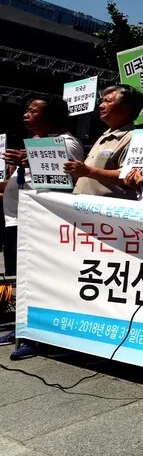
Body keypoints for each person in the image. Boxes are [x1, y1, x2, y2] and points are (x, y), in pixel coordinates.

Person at [0, 96, 84, 359]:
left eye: (33, 110)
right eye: (26, 110)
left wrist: (31, 160)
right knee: (16, 277)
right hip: (15, 220)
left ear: (52, 117)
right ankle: (17, 324)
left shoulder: (67, 143)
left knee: (38, 280)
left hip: (40, 224)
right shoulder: (32, 145)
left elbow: (61, 179)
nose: (26, 114)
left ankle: (35, 337)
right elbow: (18, 185)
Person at [65, 85, 143, 198]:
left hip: (104, 211)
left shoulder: (134, 137)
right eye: (102, 101)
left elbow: (127, 176)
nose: (101, 106)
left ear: (127, 108)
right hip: (82, 207)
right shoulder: (104, 136)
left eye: (108, 101)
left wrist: (88, 171)